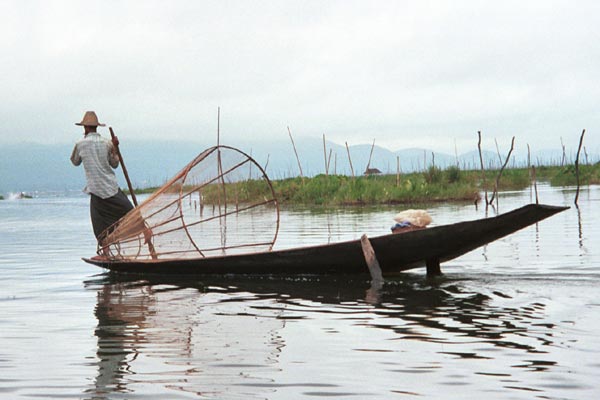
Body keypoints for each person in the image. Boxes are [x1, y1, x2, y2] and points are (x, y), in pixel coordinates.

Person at [70, 111, 134, 241]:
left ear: (86, 128)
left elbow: (75, 161)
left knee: (99, 225)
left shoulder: (80, 144)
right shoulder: (107, 143)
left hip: (96, 189)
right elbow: (115, 164)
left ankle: (105, 250)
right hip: (111, 188)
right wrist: (115, 147)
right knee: (130, 212)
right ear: (96, 127)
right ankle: (144, 231)